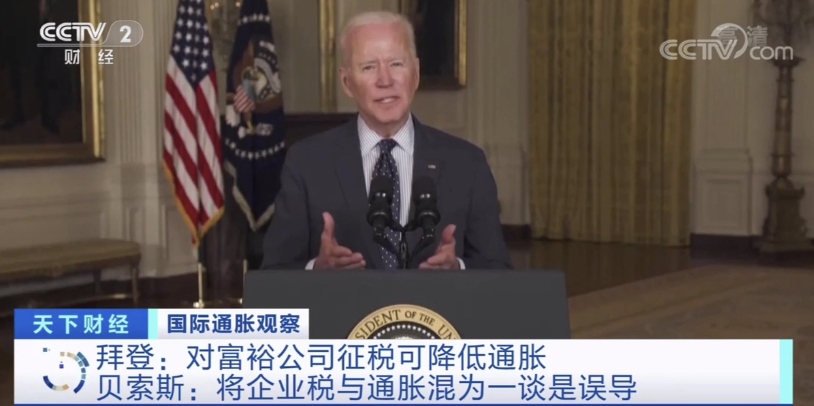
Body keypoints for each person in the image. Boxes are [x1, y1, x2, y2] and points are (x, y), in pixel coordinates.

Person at [260, 11, 512, 270]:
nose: (385, 80)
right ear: (347, 82)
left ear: (415, 73)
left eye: (396, 64)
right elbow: (273, 272)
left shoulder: (467, 163)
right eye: (369, 67)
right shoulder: (307, 163)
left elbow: (499, 270)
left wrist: (459, 269)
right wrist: (316, 269)